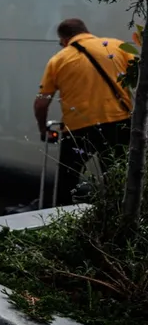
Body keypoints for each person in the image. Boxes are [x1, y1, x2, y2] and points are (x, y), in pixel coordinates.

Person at [34, 18, 133, 205]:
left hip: (78, 128)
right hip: (118, 122)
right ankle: (119, 221)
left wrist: (42, 130)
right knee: (117, 179)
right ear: (86, 31)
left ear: (63, 40)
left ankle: (62, 220)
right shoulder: (118, 46)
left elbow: (41, 104)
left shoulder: (59, 59)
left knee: (67, 180)